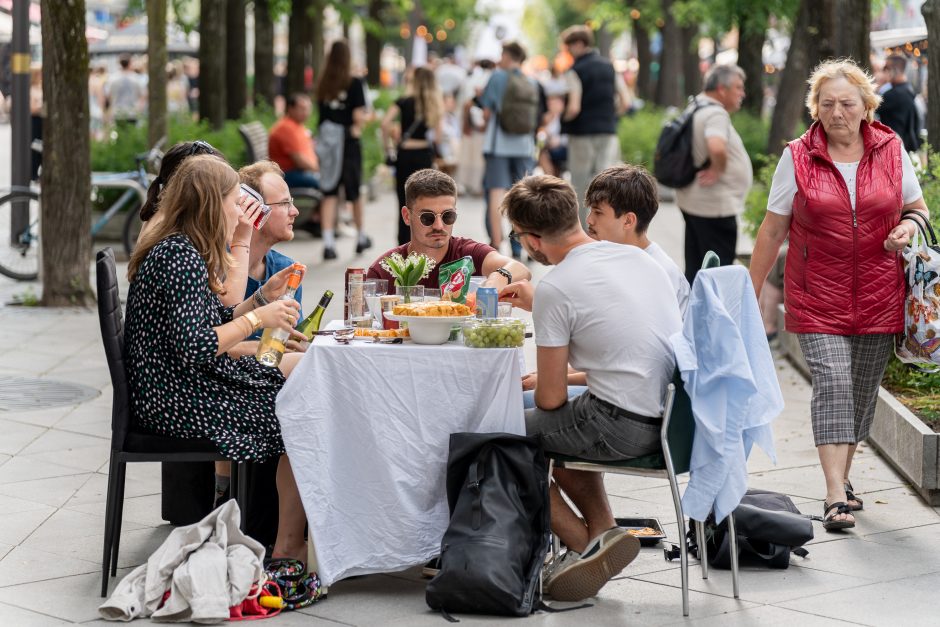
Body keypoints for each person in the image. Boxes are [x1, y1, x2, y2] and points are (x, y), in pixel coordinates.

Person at [748, 59, 931, 531]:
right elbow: (772, 230)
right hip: (816, 293)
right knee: (832, 384)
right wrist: (748, 294)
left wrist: (907, 230)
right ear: (815, 108)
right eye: (826, 103)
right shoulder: (797, 156)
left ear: (866, 106)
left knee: (861, 395)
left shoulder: (891, 149)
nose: (836, 112)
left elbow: (917, 208)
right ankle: (833, 496)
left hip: (879, 291)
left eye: (847, 103)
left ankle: (843, 481)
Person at [498, 174, 681, 602]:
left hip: (622, 424)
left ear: (531, 239)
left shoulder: (557, 288)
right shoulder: (637, 258)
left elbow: (550, 399)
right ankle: (603, 533)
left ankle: (584, 547)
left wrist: (543, 303)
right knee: (555, 431)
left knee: (498, 441)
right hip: (672, 418)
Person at [125, 155, 310, 562]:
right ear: (212, 203)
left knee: (300, 388)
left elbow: (211, 321)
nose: (238, 211)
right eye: (234, 201)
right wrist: (261, 317)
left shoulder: (180, 247)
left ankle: (273, 534)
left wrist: (260, 299)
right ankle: (286, 545)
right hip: (175, 401)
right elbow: (196, 345)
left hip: (176, 387)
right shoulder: (180, 257)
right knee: (303, 411)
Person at [137, 141, 268, 308]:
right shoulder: (178, 248)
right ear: (203, 192)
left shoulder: (164, 221)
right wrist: (240, 241)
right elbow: (227, 302)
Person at [366, 168, 530, 290]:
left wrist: (498, 278)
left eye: (448, 216)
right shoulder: (383, 272)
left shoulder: (469, 254)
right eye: (427, 218)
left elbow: (521, 270)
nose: (438, 226)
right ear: (407, 216)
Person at [676, 64, 752, 284]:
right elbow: (716, 146)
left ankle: (693, 315)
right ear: (721, 88)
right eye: (738, 87)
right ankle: (715, 317)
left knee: (696, 267)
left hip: (696, 202)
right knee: (719, 274)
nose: (742, 93)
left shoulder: (696, 106)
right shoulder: (715, 113)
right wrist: (717, 169)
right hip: (714, 207)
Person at [585, 164, 690, 315]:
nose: (589, 220)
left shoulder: (661, 275)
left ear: (628, 221)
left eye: (598, 213)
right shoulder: (607, 257)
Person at [559, 25, 630, 224]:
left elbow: (573, 107)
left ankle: (585, 229)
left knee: (582, 185)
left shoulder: (575, 70)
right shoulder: (609, 66)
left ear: (579, 44)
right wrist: (609, 116)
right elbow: (626, 102)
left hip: (582, 133)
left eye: (569, 47)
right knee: (606, 182)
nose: (568, 52)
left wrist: (562, 119)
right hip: (608, 132)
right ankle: (608, 227)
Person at [478, 41, 538, 250]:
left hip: (498, 146)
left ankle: (496, 244)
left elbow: (486, 112)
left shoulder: (497, 77)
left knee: (496, 193)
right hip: (524, 146)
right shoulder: (531, 82)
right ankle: (520, 247)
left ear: (507, 55)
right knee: (522, 194)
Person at [316, 39, 372, 260]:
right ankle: (360, 237)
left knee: (329, 192)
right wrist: (365, 119)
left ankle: (328, 242)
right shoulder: (354, 82)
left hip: (328, 144)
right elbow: (358, 117)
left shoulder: (323, 83)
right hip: (348, 144)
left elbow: (321, 118)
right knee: (354, 192)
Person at [382, 67, 444, 246]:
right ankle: (422, 243)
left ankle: (403, 245)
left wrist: (389, 148)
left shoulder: (403, 101)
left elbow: (385, 124)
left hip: (404, 156)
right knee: (425, 202)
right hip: (424, 157)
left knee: (404, 203)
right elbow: (438, 138)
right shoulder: (434, 104)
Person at [268, 93, 320, 190]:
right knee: (327, 182)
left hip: (297, 171)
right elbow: (300, 161)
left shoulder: (296, 125)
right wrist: (319, 170)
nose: (306, 113)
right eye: (302, 109)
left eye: (308, 109)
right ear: (290, 109)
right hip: (287, 174)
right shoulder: (286, 128)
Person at [876, 55, 922, 154]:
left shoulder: (894, 94)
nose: (883, 72)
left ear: (893, 70)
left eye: (885, 69)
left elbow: (870, 108)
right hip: (901, 146)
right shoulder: (907, 89)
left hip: (894, 148)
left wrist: (878, 84)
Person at [106, 54, 145, 126]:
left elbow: (108, 96)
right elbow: (142, 96)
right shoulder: (136, 78)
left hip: (117, 113)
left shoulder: (112, 78)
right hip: (132, 113)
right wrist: (139, 109)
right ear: (130, 63)